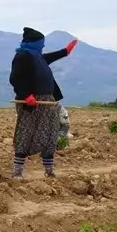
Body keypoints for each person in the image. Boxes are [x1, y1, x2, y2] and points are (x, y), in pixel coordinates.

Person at [9, 28, 77, 178]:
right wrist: (26, 95)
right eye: (41, 44)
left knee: (50, 133)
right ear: (33, 43)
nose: (43, 47)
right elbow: (15, 78)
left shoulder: (37, 56)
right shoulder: (22, 57)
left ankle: (49, 170)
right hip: (32, 103)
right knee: (26, 132)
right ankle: (17, 171)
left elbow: (48, 57)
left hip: (48, 101)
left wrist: (65, 51)